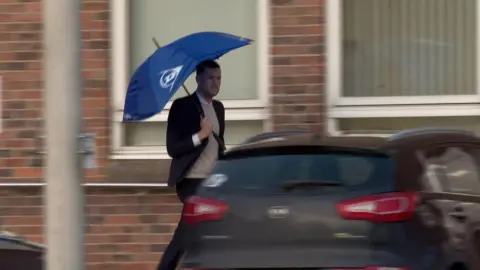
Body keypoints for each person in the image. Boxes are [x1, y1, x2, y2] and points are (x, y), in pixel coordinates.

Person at [157, 60, 225, 270]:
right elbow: (173, 147)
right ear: (198, 79)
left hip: (213, 180)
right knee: (189, 230)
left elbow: (219, 144)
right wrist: (200, 135)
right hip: (191, 180)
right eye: (211, 78)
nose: (216, 83)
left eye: (219, 78)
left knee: (203, 230)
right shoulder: (182, 107)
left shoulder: (218, 108)